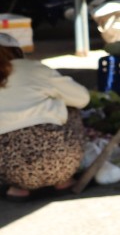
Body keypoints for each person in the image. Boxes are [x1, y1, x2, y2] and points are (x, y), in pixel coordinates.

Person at [0, 32, 89, 201]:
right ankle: (63, 180)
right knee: (71, 108)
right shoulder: (32, 68)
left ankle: (17, 188)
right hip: (59, 163)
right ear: (16, 52)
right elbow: (82, 99)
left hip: (7, 169)